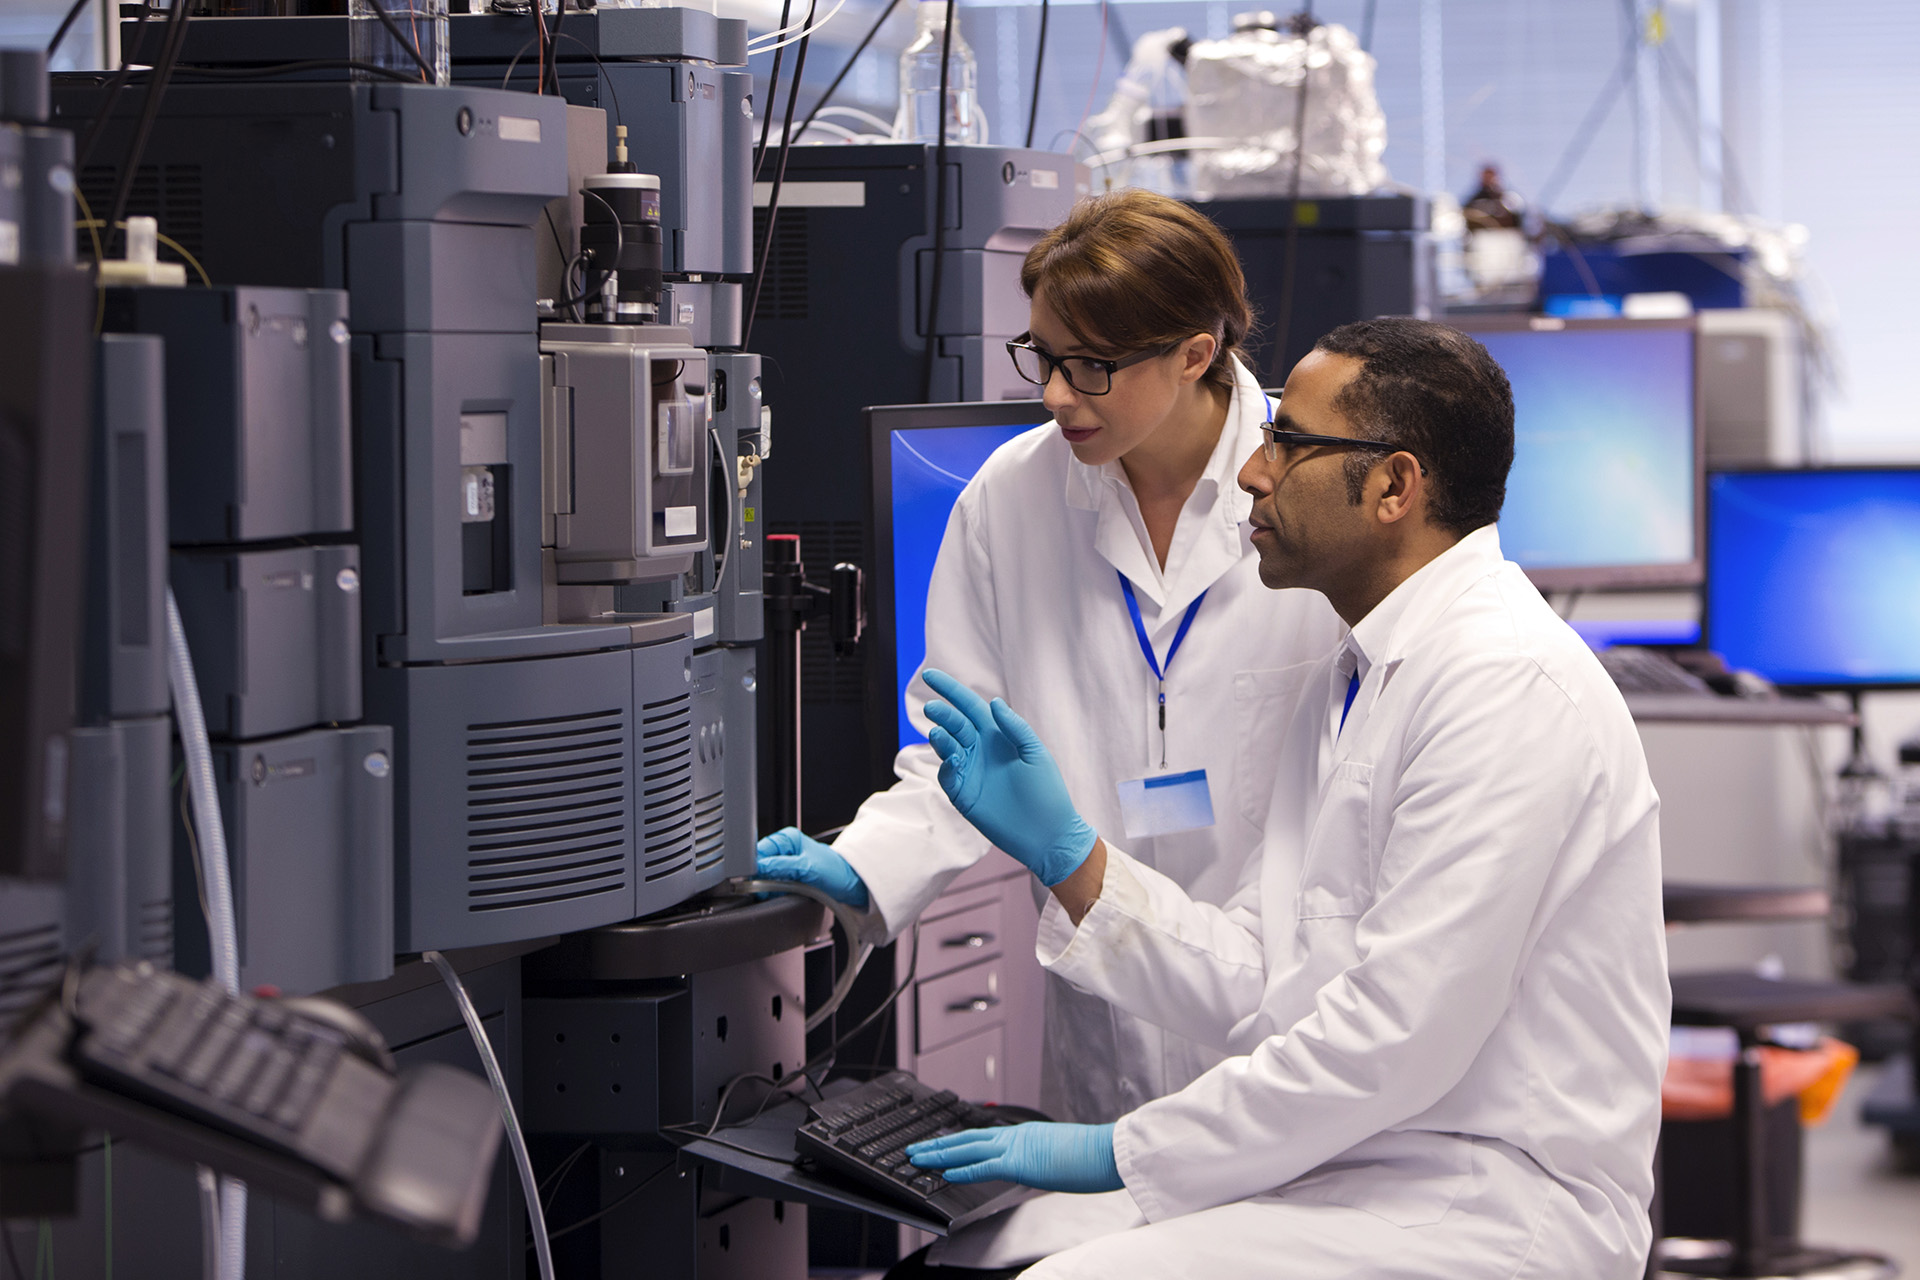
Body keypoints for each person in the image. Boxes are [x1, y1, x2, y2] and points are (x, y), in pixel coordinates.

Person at [899, 318, 1670, 1279]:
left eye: (1290, 443)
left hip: (1487, 1193)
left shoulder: (1502, 685)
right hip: (1354, 1159)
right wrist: (1077, 863)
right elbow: (1271, 972)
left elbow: (1392, 1039)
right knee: (967, 1256)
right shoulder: (1358, 677)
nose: (1255, 473)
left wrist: (1121, 1149)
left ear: (1394, 485)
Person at [754, 190, 1344, 1126]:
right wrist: (866, 865)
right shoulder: (1011, 497)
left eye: (1092, 367)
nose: (1055, 394)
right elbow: (962, 753)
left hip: (1282, 1042)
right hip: (1103, 1038)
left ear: (1197, 353)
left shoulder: (1313, 502)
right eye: (1044, 356)